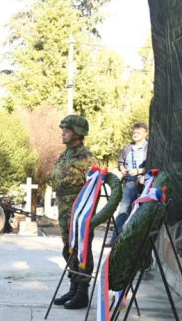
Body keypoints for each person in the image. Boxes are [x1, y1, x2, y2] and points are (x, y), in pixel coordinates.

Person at [51, 115, 99, 310]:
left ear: (78, 133)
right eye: (63, 130)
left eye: (68, 130)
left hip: (80, 211)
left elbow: (94, 188)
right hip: (64, 209)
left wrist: (87, 214)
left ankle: (82, 292)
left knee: (82, 249)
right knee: (68, 248)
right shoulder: (66, 155)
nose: (63, 133)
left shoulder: (87, 158)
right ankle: (74, 286)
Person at [107, 122, 149, 246]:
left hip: (144, 183)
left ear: (146, 133)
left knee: (140, 213)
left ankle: (137, 243)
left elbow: (153, 164)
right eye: (134, 132)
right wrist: (122, 168)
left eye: (138, 133)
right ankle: (115, 239)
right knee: (123, 210)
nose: (135, 135)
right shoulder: (128, 147)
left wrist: (140, 171)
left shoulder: (149, 148)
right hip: (129, 182)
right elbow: (121, 161)